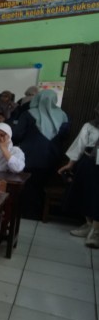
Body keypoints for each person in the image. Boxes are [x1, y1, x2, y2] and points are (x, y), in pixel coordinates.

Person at [12, 90, 69, 219]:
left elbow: (17, 134)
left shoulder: (28, 114)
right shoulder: (63, 115)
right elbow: (65, 135)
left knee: (28, 184)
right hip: (52, 156)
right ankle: (40, 212)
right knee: (42, 184)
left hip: (29, 156)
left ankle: (28, 212)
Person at [59, 104, 99, 248]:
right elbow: (80, 145)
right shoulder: (90, 126)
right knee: (86, 194)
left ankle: (96, 233)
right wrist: (70, 164)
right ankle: (89, 225)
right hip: (89, 163)